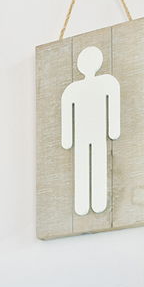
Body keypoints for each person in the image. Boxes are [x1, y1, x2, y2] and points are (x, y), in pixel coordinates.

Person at [59, 44, 120, 216]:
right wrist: (67, 139)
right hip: (82, 135)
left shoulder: (106, 82)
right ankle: (82, 203)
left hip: (96, 132)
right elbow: (66, 112)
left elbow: (113, 105)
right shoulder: (73, 89)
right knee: (83, 165)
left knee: (96, 163)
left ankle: (97, 201)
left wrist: (113, 129)